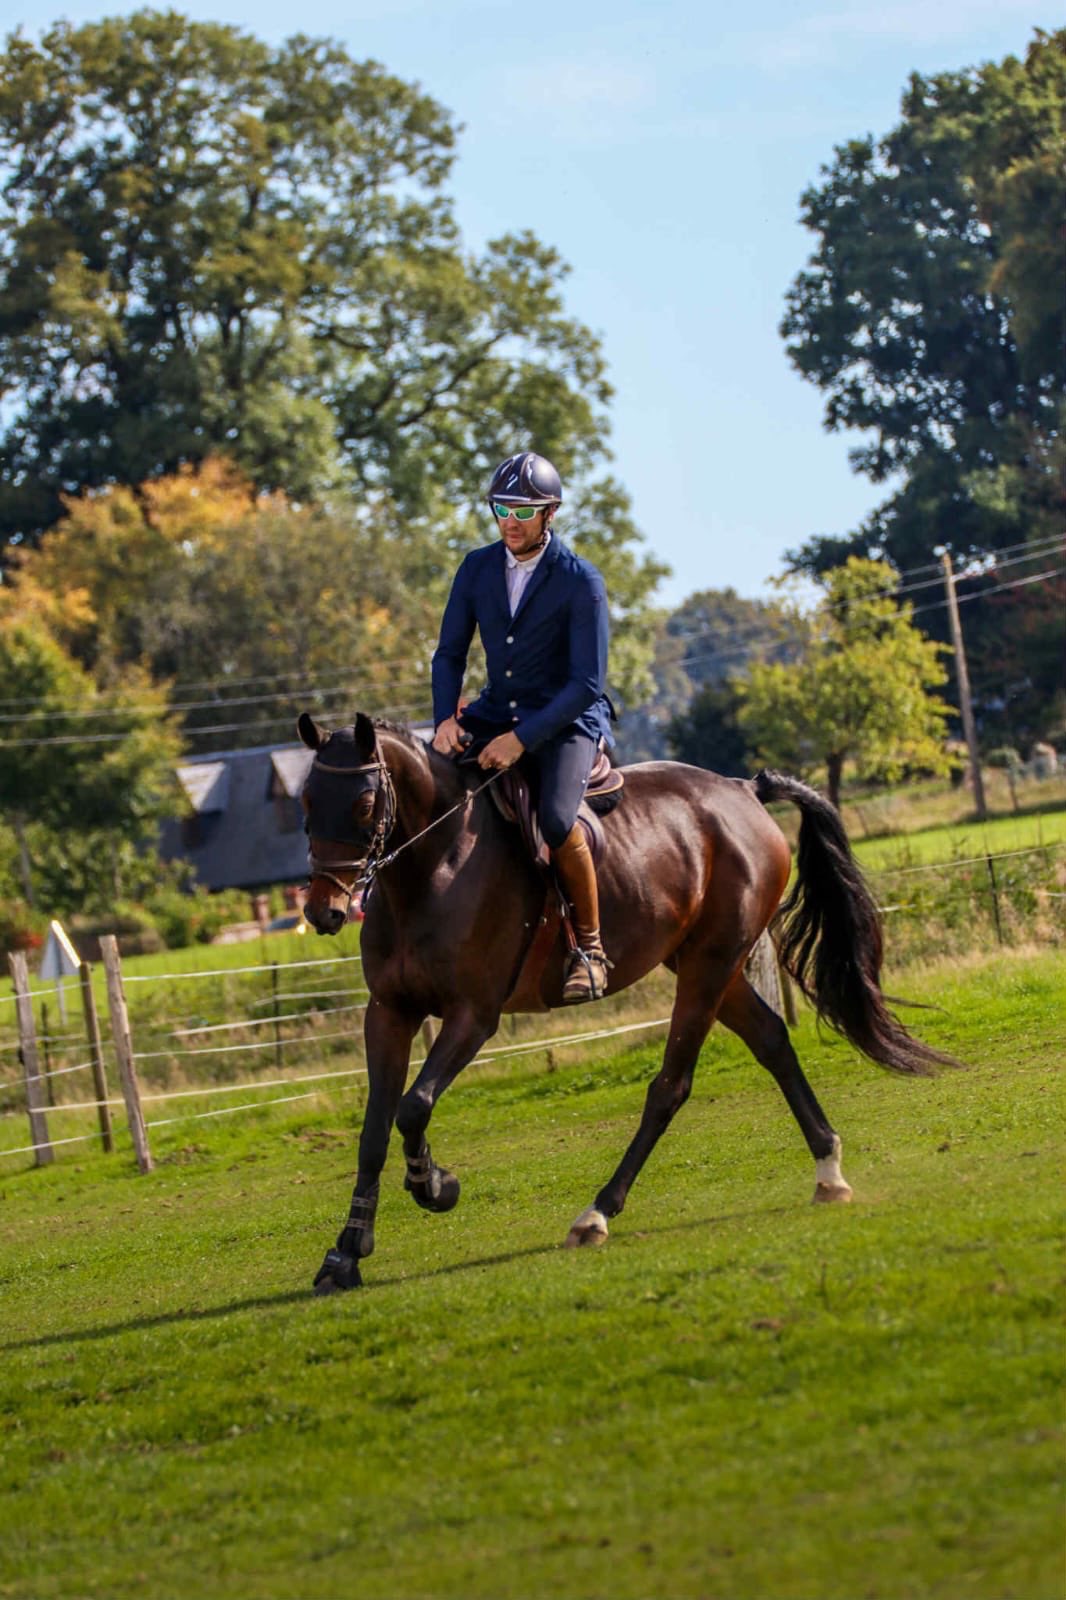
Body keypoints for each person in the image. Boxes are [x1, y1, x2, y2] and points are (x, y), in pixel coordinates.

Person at [431, 451, 614, 1003]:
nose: (509, 520)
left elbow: (586, 683)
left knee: (558, 822)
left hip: (566, 722)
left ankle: (591, 950)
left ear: (550, 512)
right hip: (495, 710)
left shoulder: (581, 581)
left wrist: (520, 741)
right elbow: (448, 655)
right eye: (500, 508)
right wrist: (444, 719)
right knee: (426, 783)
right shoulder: (476, 568)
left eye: (523, 509)